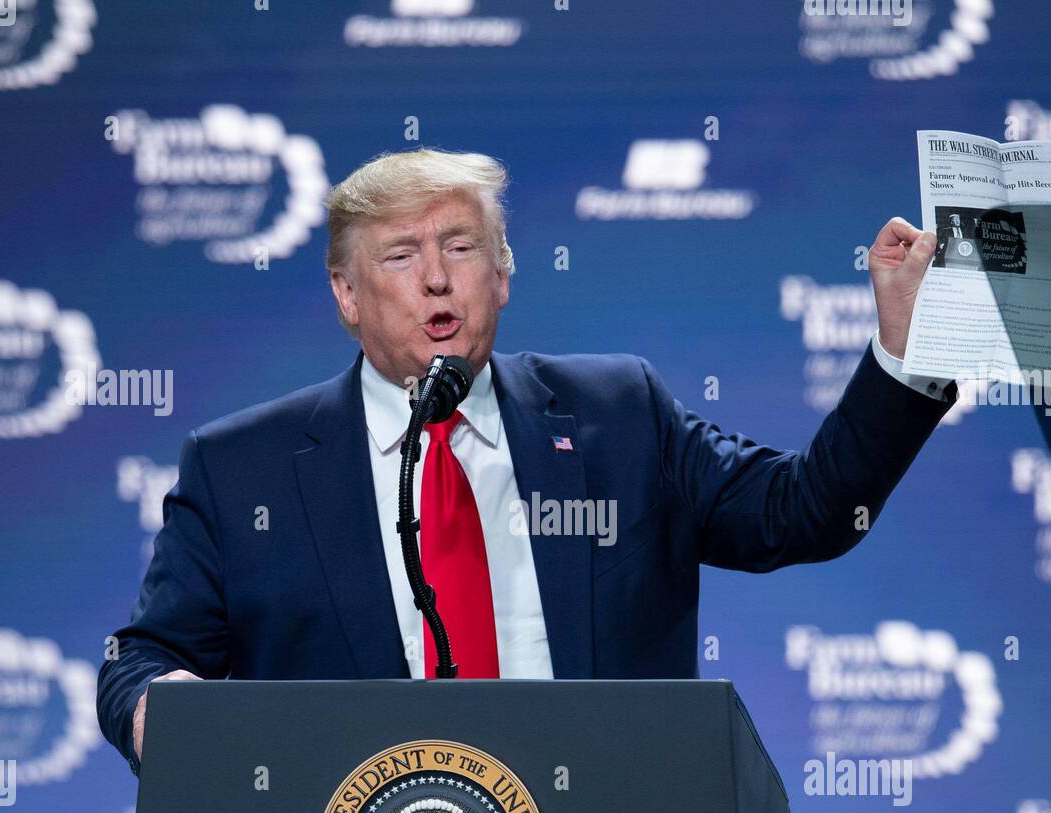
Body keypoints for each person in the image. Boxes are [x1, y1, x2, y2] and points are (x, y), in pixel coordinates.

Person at [96, 147, 954, 773]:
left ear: (502, 275)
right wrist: (161, 713)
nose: (437, 279)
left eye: (462, 248)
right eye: (401, 255)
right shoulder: (242, 469)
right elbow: (140, 660)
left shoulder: (619, 416)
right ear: (347, 294)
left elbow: (801, 511)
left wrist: (903, 351)